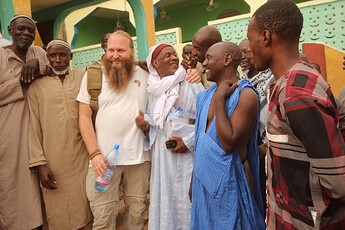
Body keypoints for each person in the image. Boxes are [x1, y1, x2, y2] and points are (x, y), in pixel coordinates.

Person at [247, 0, 345, 229]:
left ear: (265, 37)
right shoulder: (285, 84)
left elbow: (339, 184)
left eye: (250, 38)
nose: (249, 47)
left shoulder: (295, 94)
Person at [77, 30, 150, 230]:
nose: (115, 55)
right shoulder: (93, 75)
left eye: (121, 50)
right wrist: (94, 154)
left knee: (136, 214)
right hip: (103, 161)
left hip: (139, 159)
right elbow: (83, 117)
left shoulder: (146, 74)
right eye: (111, 50)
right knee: (103, 216)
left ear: (132, 52)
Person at [191, 41, 265, 229]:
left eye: (209, 58)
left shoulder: (246, 95)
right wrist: (194, 180)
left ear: (227, 59)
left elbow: (228, 142)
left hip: (231, 183)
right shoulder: (203, 97)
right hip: (203, 181)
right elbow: (200, 143)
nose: (204, 64)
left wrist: (220, 99)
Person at [135, 44, 204, 230]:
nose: (174, 58)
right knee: (167, 200)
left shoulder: (190, 80)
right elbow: (156, 120)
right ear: (155, 63)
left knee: (188, 200)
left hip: (188, 154)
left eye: (174, 54)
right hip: (163, 156)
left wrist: (189, 142)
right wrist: (146, 125)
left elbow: (207, 118)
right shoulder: (153, 89)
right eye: (167, 56)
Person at [27, 39, 93, 229]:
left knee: (87, 204)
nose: (57, 60)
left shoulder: (83, 78)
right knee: (58, 211)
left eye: (62, 55)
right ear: (47, 58)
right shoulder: (36, 87)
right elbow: (33, 127)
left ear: (70, 57)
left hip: (83, 156)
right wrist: (40, 164)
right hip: (53, 159)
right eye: (52, 56)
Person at [0, 14, 49, 229]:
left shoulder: (37, 52)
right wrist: (21, 79)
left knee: (45, 183)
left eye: (31, 30)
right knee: (16, 186)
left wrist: (37, 64)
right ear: (10, 31)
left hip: (41, 128)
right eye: (21, 29)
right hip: (12, 130)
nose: (26, 34)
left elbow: (54, 68)